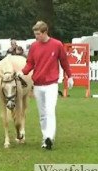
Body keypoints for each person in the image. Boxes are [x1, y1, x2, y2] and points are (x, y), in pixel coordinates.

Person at [18, 21, 74, 150]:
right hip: (38, 84)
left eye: (38, 34)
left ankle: (49, 137)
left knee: (49, 111)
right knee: (42, 113)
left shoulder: (57, 45)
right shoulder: (34, 46)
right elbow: (30, 63)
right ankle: (45, 138)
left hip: (51, 84)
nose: (36, 36)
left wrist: (70, 76)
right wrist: (22, 72)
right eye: (35, 34)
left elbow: (64, 62)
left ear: (45, 32)